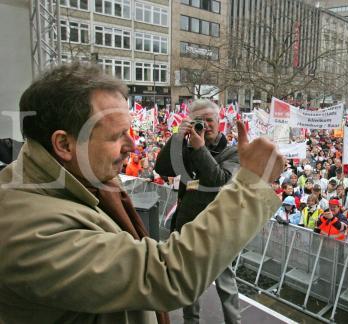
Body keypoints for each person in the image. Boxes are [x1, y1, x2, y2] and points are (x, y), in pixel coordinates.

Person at [0, 63, 285, 324]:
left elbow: (218, 179)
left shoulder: (80, 175)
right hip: (193, 229)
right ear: (64, 144)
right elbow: (166, 275)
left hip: (212, 233)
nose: (133, 146)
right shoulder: (28, 230)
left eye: (130, 132)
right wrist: (250, 182)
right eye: (116, 136)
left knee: (224, 284)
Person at [155, 99, 244, 324]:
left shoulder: (233, 152)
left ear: (219, 122)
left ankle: (234, 322)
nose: (205, 125)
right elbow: (162, 168)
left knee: (226, 283)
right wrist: (177, 138)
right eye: (199, 121)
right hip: (188, 225)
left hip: (218, 228)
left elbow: (219, 180)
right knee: (187, 281)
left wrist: (199, 148)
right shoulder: (187, 147)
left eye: (209, 120)